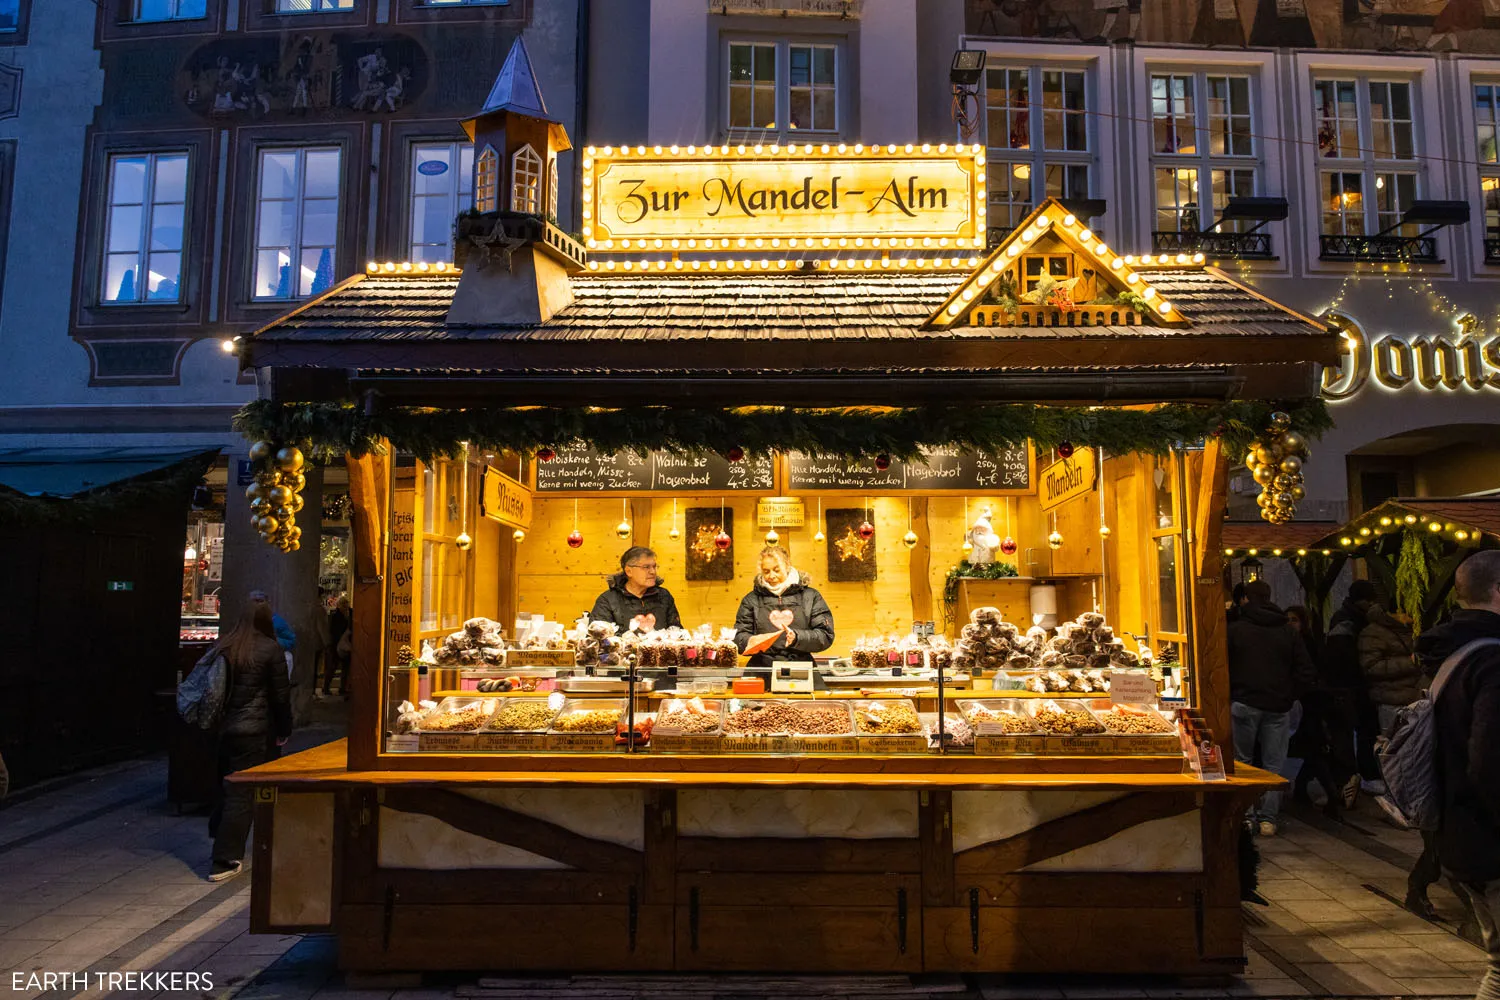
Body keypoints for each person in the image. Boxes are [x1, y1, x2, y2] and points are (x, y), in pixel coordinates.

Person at [1422, 549, 1500, 1000]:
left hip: (1459, 829)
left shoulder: (1450, 653)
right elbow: (1491, 760)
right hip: (1489, 836)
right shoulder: (1491, 661)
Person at [207, 599, 292, 882]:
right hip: (256, 731)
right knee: (243, 793)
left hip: (225, 729)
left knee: (228, 784)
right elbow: (281, 697)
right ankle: (225, 857)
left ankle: (220, 835)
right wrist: (285, 729)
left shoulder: (226, 645)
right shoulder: (271, 649)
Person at [1227, 579, 1316, 836]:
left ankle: (1246, 815)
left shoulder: (1236, 630)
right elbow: (1305, 670)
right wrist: (1289, 695)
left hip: (1244, 702)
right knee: (1273, 764)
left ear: (1246, 599)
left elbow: (1223, 667)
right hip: (1278, 705)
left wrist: (1232, 692)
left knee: (1242, 761)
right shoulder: (1287, 631)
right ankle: (1268, 819)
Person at [1325, 579, 1382, 804]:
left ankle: (1351, 779)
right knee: (1356, 732)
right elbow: (1341, 657)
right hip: (1350, 686)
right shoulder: (1351, 622)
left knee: (1352, 733)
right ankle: (1353, 778)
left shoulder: (1345, 619)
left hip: (1347, 686)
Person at [734, 546, 835, 669]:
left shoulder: (810, 596)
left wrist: (797, 637)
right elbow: (739, 636)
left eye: (777, 570)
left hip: (801, 667)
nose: (771, 576)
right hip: (762, 668)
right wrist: (750, 640)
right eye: (766, 571)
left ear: (787, 566)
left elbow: (825, 635)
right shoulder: (751, 600)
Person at [1288, 605, 1344, 819]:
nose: (1291, 624)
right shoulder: (1294, 643)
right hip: (1305, 702)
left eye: (1294, 620)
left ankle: (1327, 793)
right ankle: (1309, 790)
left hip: (1311, 703)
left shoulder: (1308, 645)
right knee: (1312, 749)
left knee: (1313, 748)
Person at [1359, 602, 1423, 735]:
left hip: (1417, 699)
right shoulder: (1373, 633)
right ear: (1400, 613)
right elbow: (1372, 667)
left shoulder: (1409, 629)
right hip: (1392, 702)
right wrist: (1410, 662)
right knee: (1396, 746)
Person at [590, 547, 682, 633]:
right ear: (629, 571)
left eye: (654, 567)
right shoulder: (607, 600)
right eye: (646, 567)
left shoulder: (664, 596)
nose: (653, 572)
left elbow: (676, 631)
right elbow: (598, 637)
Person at [323, 595, 353, 696]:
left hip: (345, 644)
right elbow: (334, 630)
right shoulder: (337, 615)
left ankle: (341, 687)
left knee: (343, 667)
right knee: (334, 667)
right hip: (337, 644)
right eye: (343, 604)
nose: (345, 606)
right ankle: (327, 687)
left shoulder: (349, 614)